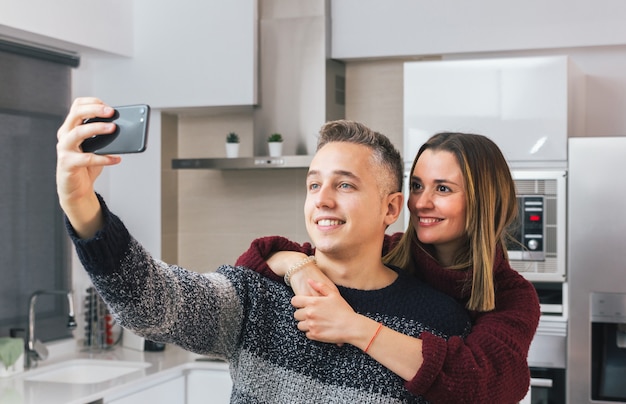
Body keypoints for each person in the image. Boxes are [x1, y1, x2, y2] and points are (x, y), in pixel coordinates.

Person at [56, 97, 472, 403]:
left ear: (391, 208)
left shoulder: (436, 321)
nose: (322, 199)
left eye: (344, 184)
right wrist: (81, 205)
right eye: (313, 184)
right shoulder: (259, 295)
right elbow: (153, 301)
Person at [235, 131, 541, 403]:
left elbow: (483, 386)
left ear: (484, 201)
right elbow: (256, 264)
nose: (421, 202)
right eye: (417, 186)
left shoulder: (512, 296)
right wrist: (298, 267)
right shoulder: (388, 249)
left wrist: (354, 326)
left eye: (443, 189)